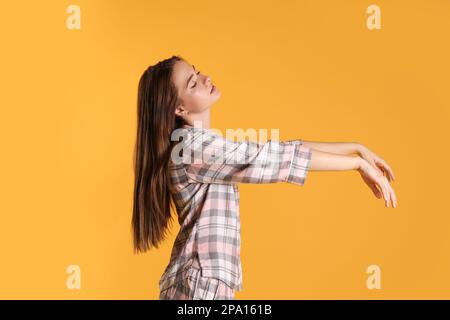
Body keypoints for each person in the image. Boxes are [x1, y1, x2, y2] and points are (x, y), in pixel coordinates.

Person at [131, 55, 397, 300]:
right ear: (178, 109)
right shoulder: (191, 148)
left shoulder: (200, 145)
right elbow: (268, 158)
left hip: (203, 284)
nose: (205, 78)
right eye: (193, 83)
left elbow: (276, 150)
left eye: (197, 72)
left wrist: (355, 148)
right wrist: (355, 164)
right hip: (198, 288)